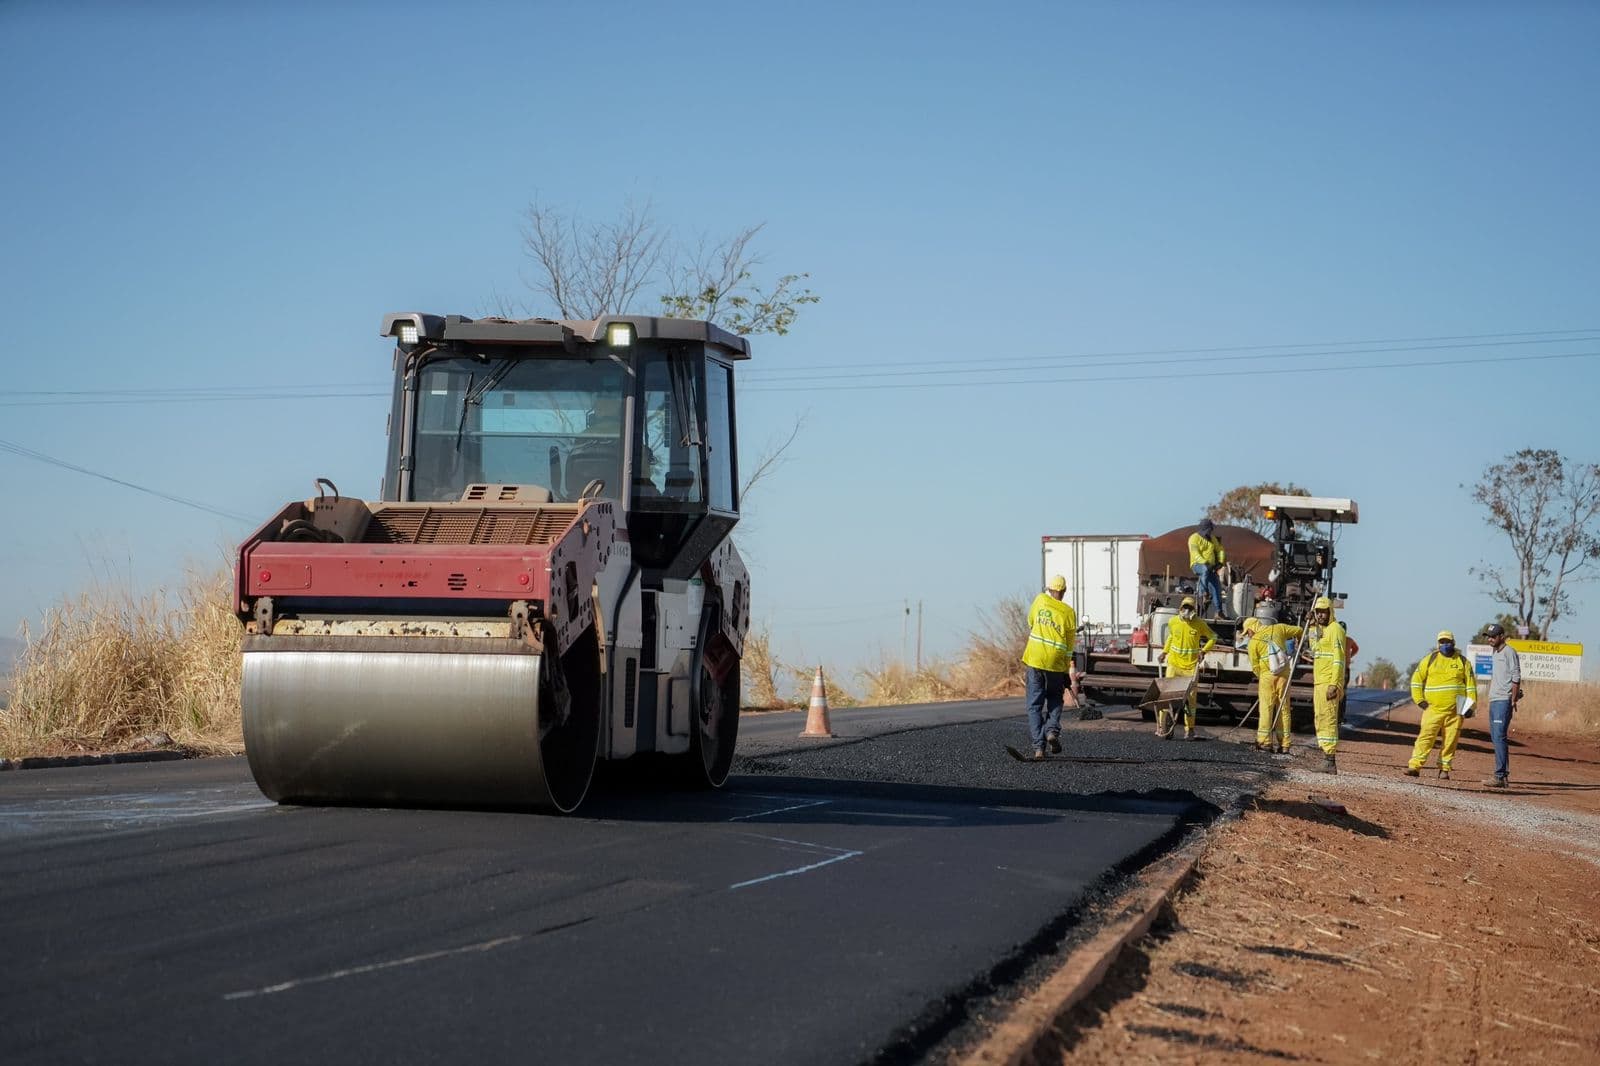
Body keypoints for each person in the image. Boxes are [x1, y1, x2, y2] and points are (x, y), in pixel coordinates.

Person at [1405, 630, 1475, 780]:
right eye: (1442, 642)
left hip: (1456, 709)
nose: (1445, 645)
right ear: (1438, 644)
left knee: (1450, 740)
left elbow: (1471, 687)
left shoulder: (1463, 662)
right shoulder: (1429, 660)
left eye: (1447, 642)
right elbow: (1416, 680)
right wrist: (1420, 701)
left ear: (1453, 643)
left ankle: (1444, 769)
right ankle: (1415, 767)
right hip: (1432, 709)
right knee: (1425, 737)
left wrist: (1470, 707)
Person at [1021, 574, 1078, 759]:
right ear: (1064, 591)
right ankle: (1052, 731)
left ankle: (1039, 747)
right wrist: (1065, 671)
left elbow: (1030, 622)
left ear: (1050, 589)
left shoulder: (1040, 600)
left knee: (1034, 705)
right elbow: (1069, 646)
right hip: (1055, 663)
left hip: (1035, 660)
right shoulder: (1069, 613)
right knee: (1055, 699)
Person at [1157, 596, 1216, 740]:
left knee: (1190, 700)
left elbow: (1213, 637)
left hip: (1191, 668)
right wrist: (1164, 652)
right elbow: (1171, 637)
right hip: (1174, 664)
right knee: (1166, 696)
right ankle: (1162, 726)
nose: (1187, 610)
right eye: (1185, 607)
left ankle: (1189, 729)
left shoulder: (1199, 624)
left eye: (1190, 608)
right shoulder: (1173, 622)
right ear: (1180, 608)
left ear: (1194, 610)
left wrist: (1203, 651)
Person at [1241, 616, 1303, 753]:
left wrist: (1262, 676)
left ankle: (1264, 742)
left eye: (1248, 632)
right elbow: (1299, 630)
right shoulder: (1279, 628)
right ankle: (1285, 744)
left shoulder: (1253, 643)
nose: (1248, 635)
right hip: (1284, 676)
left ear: (1253, 627)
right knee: (1284, 709)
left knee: (1266, 709)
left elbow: (1255, 666)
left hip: (1266, 677)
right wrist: (1298, 641)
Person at [1308, 595, 1346, 774]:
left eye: (1324, 612)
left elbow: (1339, 659)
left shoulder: (1335, 629)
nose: (1321, 615)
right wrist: (1311, 627)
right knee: (1320, 719)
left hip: (1329, 683)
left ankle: (1330, 760)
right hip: (1319, 682)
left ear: (1330, 612)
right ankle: (1325, 757)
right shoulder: (1320, 631)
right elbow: (1314, 649)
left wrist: (1335, 684)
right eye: (1318, 612)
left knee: (1329, 721)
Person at [1480, 623, 1522, 788]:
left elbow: (1516, 675)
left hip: (1503, 700)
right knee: (1495, 737)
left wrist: (1513, 697)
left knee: (1499, 737)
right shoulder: (1495, 652)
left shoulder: (1509, 652)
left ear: (1502, 636)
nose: (1490, 639)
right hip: (1494, 700)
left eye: (1493, 636)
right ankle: (1501, 777)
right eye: (1489, 636)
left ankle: (1500, 776)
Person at [1188, 519, 1230, 619]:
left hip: (1210, 567)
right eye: (1208, 530)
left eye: (1211, 530)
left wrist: (1220, 562)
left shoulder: (1212, 538)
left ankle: (1219, 612)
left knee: (1216, 587)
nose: (1210, 532)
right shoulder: (1193, 538)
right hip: (1197, 564)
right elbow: (1194, 553)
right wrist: (1205, 563)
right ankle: (1204, 594)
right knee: (1204, 570)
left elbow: (1220, 550)